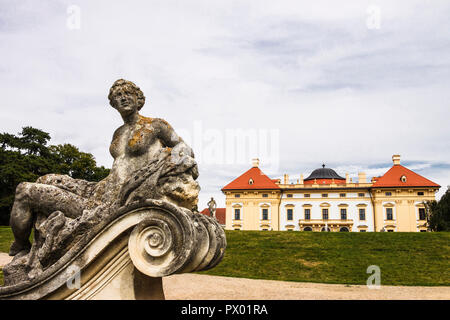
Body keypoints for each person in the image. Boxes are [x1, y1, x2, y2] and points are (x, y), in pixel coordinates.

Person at [9, 79, 200, 256]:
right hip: (99, 193)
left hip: (115, 203)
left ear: (138, 98)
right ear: (113, 104)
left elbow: (183, 148)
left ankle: (21, 248)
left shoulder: (156, 125)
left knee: (25, 191)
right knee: (45, 180)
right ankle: (24, 249)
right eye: (118, 96)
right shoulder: (118, 133)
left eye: (127, 93)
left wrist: (163, 163)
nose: (123, 98)